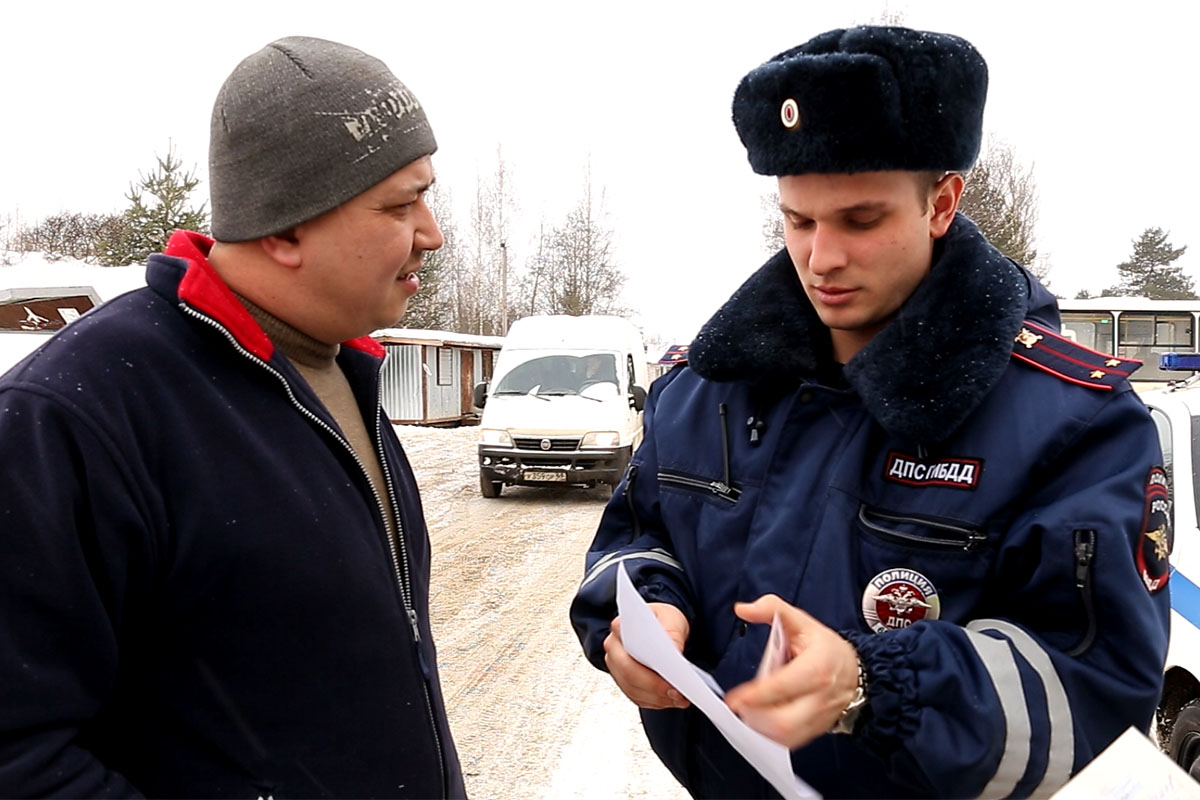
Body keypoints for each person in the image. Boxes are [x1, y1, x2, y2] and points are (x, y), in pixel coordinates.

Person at [570, 25, 1171, 799]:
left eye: (860, 221)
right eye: (797, 220)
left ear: (942, 202)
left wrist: (875, 684)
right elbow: (635, 535)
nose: (821, 258)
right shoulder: (704, 385)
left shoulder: (1075, 421)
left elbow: (1096, 688)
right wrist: (645, 612)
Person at [0, 37, 465, 797]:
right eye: (399, 204)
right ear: (284, 227)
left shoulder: (350, 375)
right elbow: (17, 754)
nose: (432, 233)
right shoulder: (76, 417)